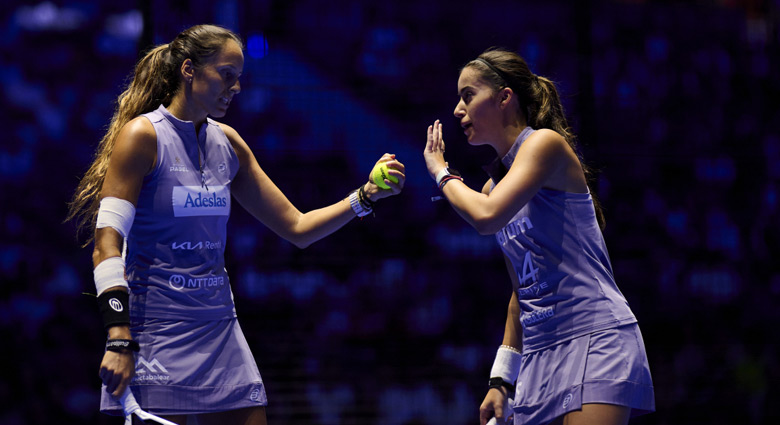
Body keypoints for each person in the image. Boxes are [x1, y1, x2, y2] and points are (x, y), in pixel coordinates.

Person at [66, 24, 405, 425]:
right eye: (227, 75)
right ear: (189, 70)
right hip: (153, 332)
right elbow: (106, 245)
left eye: (239, 77)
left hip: (219, 330)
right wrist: (119, 337)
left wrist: (364, 196)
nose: (236, 87)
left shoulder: (228, 143)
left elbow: (298, 227)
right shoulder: (143, 135)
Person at [423, 47, 654, 425]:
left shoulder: (545, 145)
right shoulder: (490, 189)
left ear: (503, 98)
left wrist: (440, 172)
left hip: (596, 338)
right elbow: (522, 292)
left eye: (468, 95)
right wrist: (501, 379)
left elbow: (485, 218)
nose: (457, 110)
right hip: (538, 357)